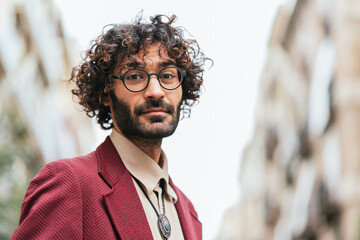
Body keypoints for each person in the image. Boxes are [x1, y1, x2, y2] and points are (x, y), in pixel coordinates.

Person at [11, 14, 208, 240]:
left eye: (167, 76)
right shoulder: (71, 182)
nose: (156, 91)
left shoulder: (189, 214)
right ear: (106, 93)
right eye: (135, 76)